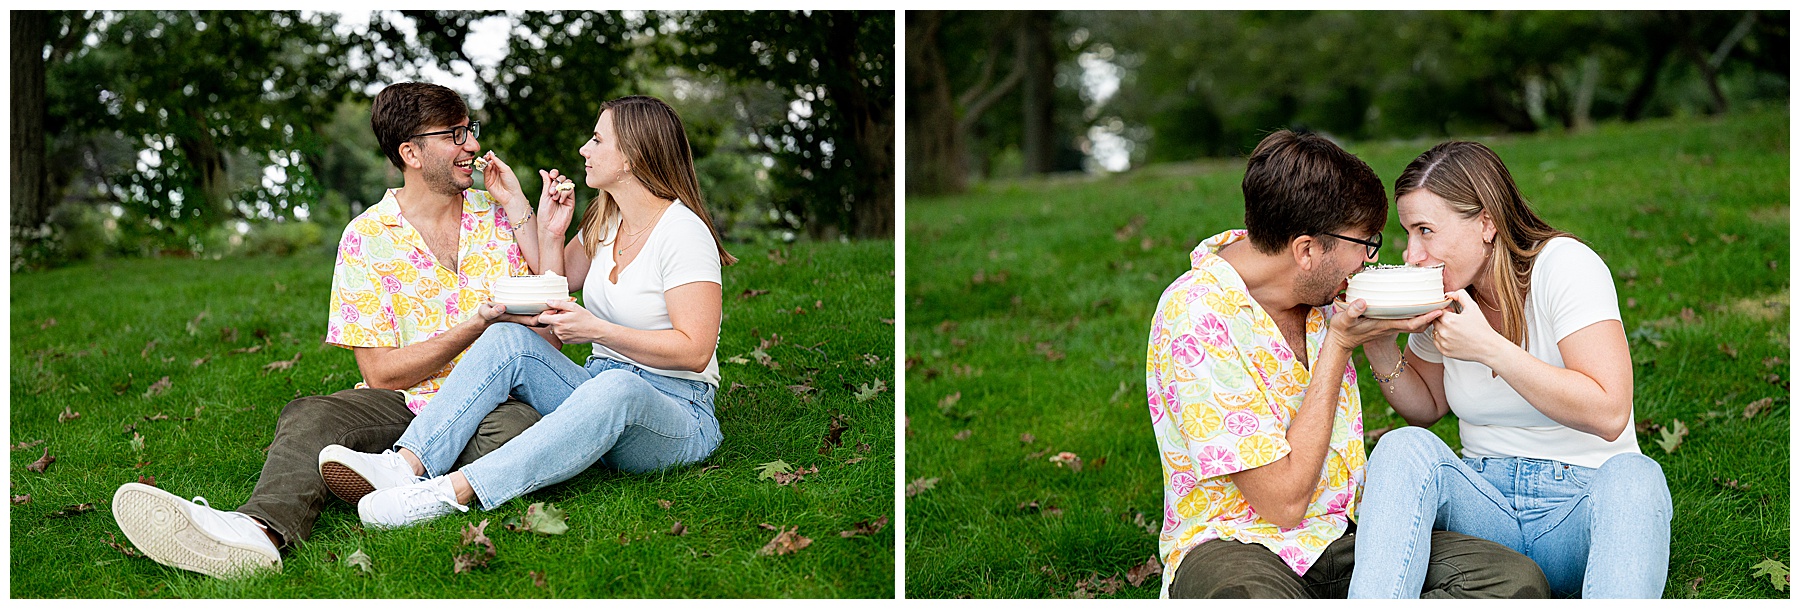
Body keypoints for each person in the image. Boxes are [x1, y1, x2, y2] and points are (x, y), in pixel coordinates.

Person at [111, 82, 562, 578]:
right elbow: (382, 374)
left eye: (469, 130)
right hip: (404, 402)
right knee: (310, 415)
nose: (472, 145)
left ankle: (394, 478)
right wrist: (475, 326)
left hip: (492, 402)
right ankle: (256, 533)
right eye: (455, 135)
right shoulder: (366, 238)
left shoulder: (498, 217)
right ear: (410, 152)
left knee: (523, 429)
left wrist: (520, 206)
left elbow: (550, 325)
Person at [1146, 130, 1549, 599]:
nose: (1368, 262)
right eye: (1364, 243)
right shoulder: (1196, 316)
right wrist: (1338, 349)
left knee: (1512, 583)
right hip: (1238, 545)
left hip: (1346, 533)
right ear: (1306, 250)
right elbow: (1283, 502)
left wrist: (1388, 332)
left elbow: (1425, 402)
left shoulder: (1323, 293)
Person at [316, 95, 737, 529]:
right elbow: (555, 285)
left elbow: (695, 352)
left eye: (596, 140)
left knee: (618, 387)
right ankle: (406, 465)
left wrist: (598, 330)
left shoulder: (683, 233)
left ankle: (448, 493)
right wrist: (542, 223)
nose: (583, 151)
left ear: (632, 157)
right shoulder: (608, 220)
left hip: (676, 409)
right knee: (505, 338)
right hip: (596, 385)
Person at [1347, 141, 1671, 599]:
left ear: (1486, 222)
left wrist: (1491, 349)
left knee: (1636, 479)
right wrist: (1379, 345)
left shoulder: (1565, 267)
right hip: (1486, 506)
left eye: (1425, 231)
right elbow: (1427, 406)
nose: (1413, 253)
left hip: (1580, 508)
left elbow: (1609, 411)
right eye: (1408, 233)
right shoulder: (1445, 290)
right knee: (1402, 447)